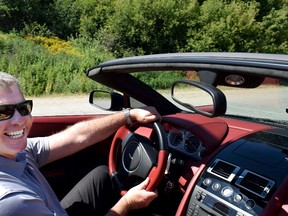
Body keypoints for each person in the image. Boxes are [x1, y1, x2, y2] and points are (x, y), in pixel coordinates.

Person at [0, 71, 160, 216]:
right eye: (3, 112)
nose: (19, 120)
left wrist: (128, 115)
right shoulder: (13, 201)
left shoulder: (20, 152)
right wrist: (128, 204)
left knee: (102, 175)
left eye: (23, 108)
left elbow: (77, 136)